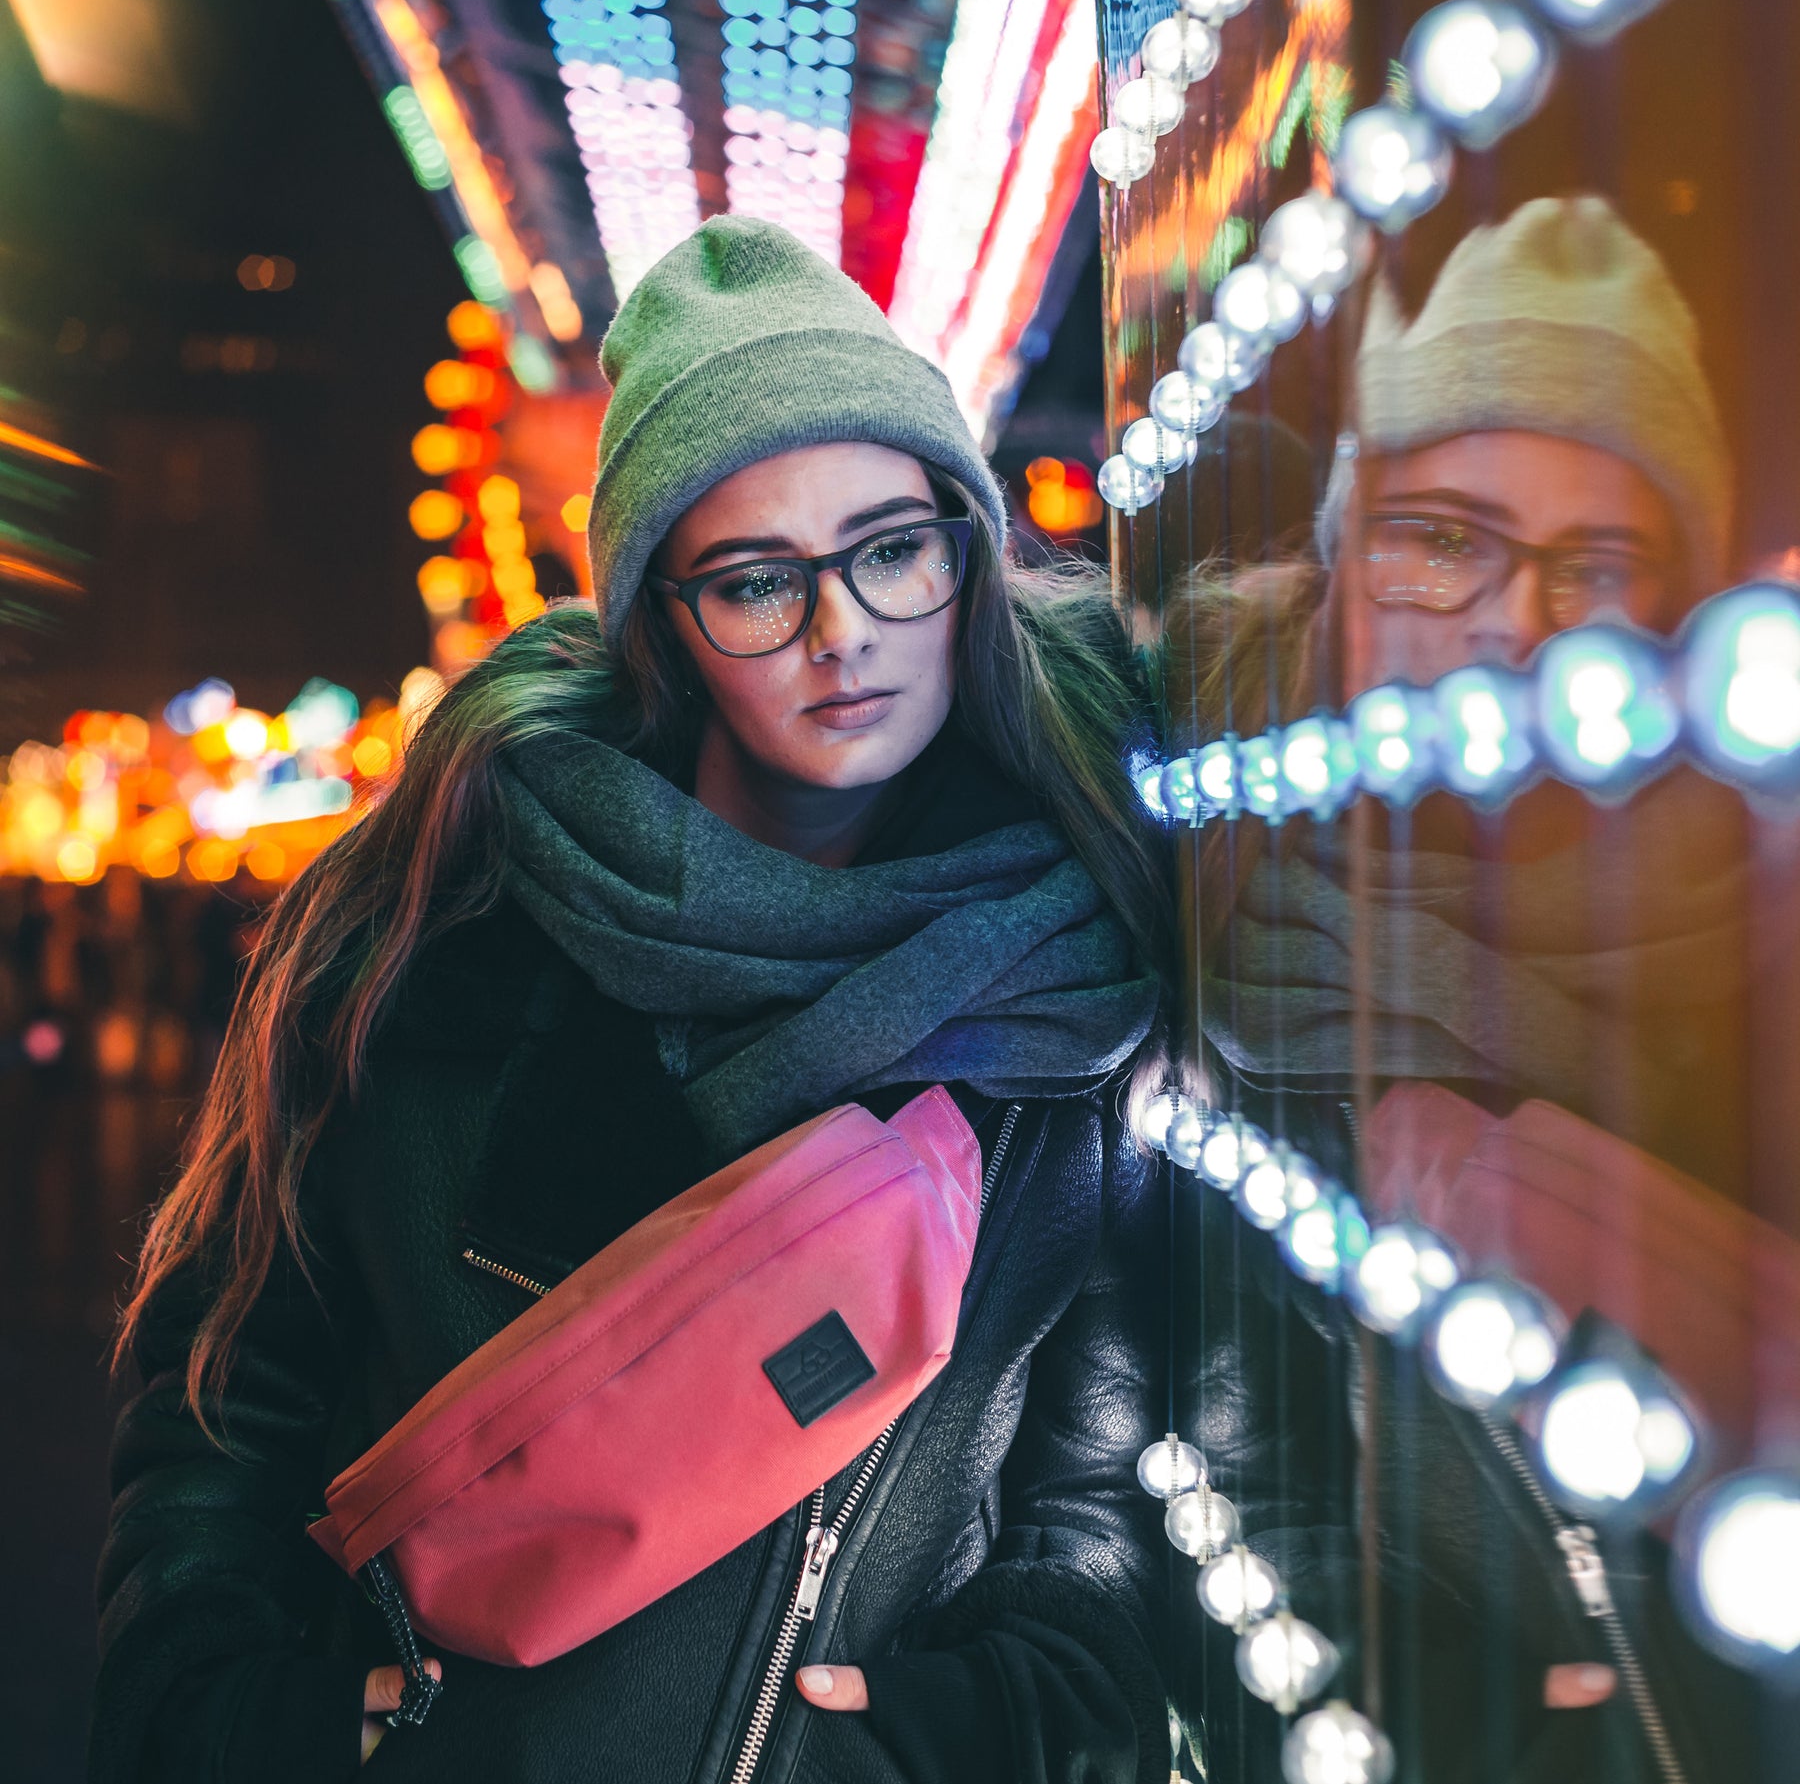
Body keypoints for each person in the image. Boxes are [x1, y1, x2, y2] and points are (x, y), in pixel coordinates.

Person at [89, 216, 1311, 1784]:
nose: (840, 628)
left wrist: (960, 1737)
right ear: (661, 616)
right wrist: (260, 1722)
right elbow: (227, 1410)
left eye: (891, 547)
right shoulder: (450, 933)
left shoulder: (1077, 978)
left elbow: (1090, 1497)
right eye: (754, 580)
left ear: (964, 543)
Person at [1165, 196, 1789, 1781]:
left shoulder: (1756, 939)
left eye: (1595, 563)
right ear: (1340, 548)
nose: (1513, 624)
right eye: (1444, 536)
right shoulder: (1166, 825)